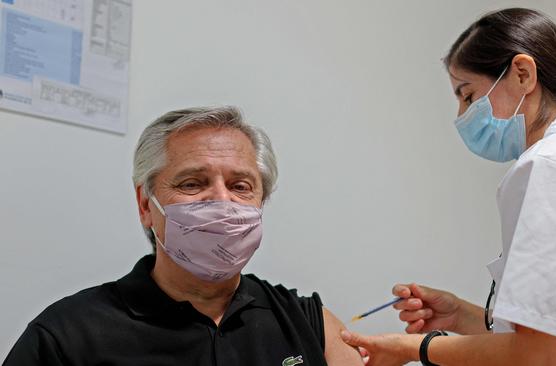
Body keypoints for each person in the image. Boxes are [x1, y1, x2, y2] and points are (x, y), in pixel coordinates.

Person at [340, 8, 556, 366]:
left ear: (522, 74)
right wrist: (461, 316)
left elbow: (543, 357)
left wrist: (414, 348)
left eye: (468, 95)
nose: (461, 116)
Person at [3, 106, 363, 366]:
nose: (222, 201)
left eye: (240, 186)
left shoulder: (307, 320)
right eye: (192, 183)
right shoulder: (68, 335)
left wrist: (419, 347)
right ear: (146, 204)